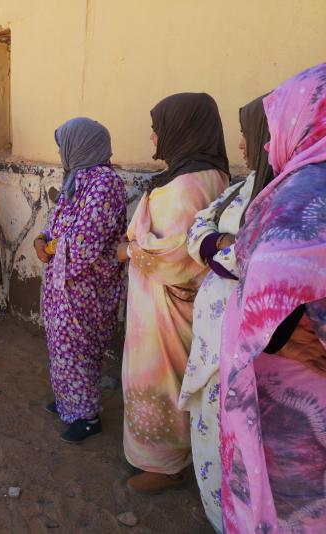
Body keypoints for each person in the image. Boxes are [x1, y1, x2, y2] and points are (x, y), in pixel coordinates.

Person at [218, 63, 326, 533]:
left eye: (275, 123)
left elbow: (275, 271)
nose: (263, 143)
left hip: (297, 390)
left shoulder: (304, 188)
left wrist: (278, 334)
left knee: (295, 506)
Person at [118, 93, 229, 493]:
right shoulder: (204, 176)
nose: (152, 136)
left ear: (182, 128)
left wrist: (128, 249)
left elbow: (180, 255)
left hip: (168, 304)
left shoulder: (189, 185)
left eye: (158, 127)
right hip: (162, 302)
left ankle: (165, 465)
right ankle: (163, 456)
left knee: (161, 376)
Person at [180, 95, 273, 532]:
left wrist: (217, 246)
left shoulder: (286, 193)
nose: (240, 145)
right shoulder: (242, 186)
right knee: (209, 429)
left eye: (247, 134)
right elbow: (199, 228)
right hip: (211, 334)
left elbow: (257, 256)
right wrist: (217, 243)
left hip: (250, 341)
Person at [34, 117, 127, 443]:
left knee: (78, 349)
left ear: (81, 145)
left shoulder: (104, 183)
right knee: (62, 348)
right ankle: (68, 402)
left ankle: (87, 417)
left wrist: (53, 250)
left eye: (64, 145)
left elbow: (86, 242)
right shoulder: (78, 178)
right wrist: (41, 240)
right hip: (64, 284)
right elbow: (58, 225)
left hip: (86, 286)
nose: (62, 152)